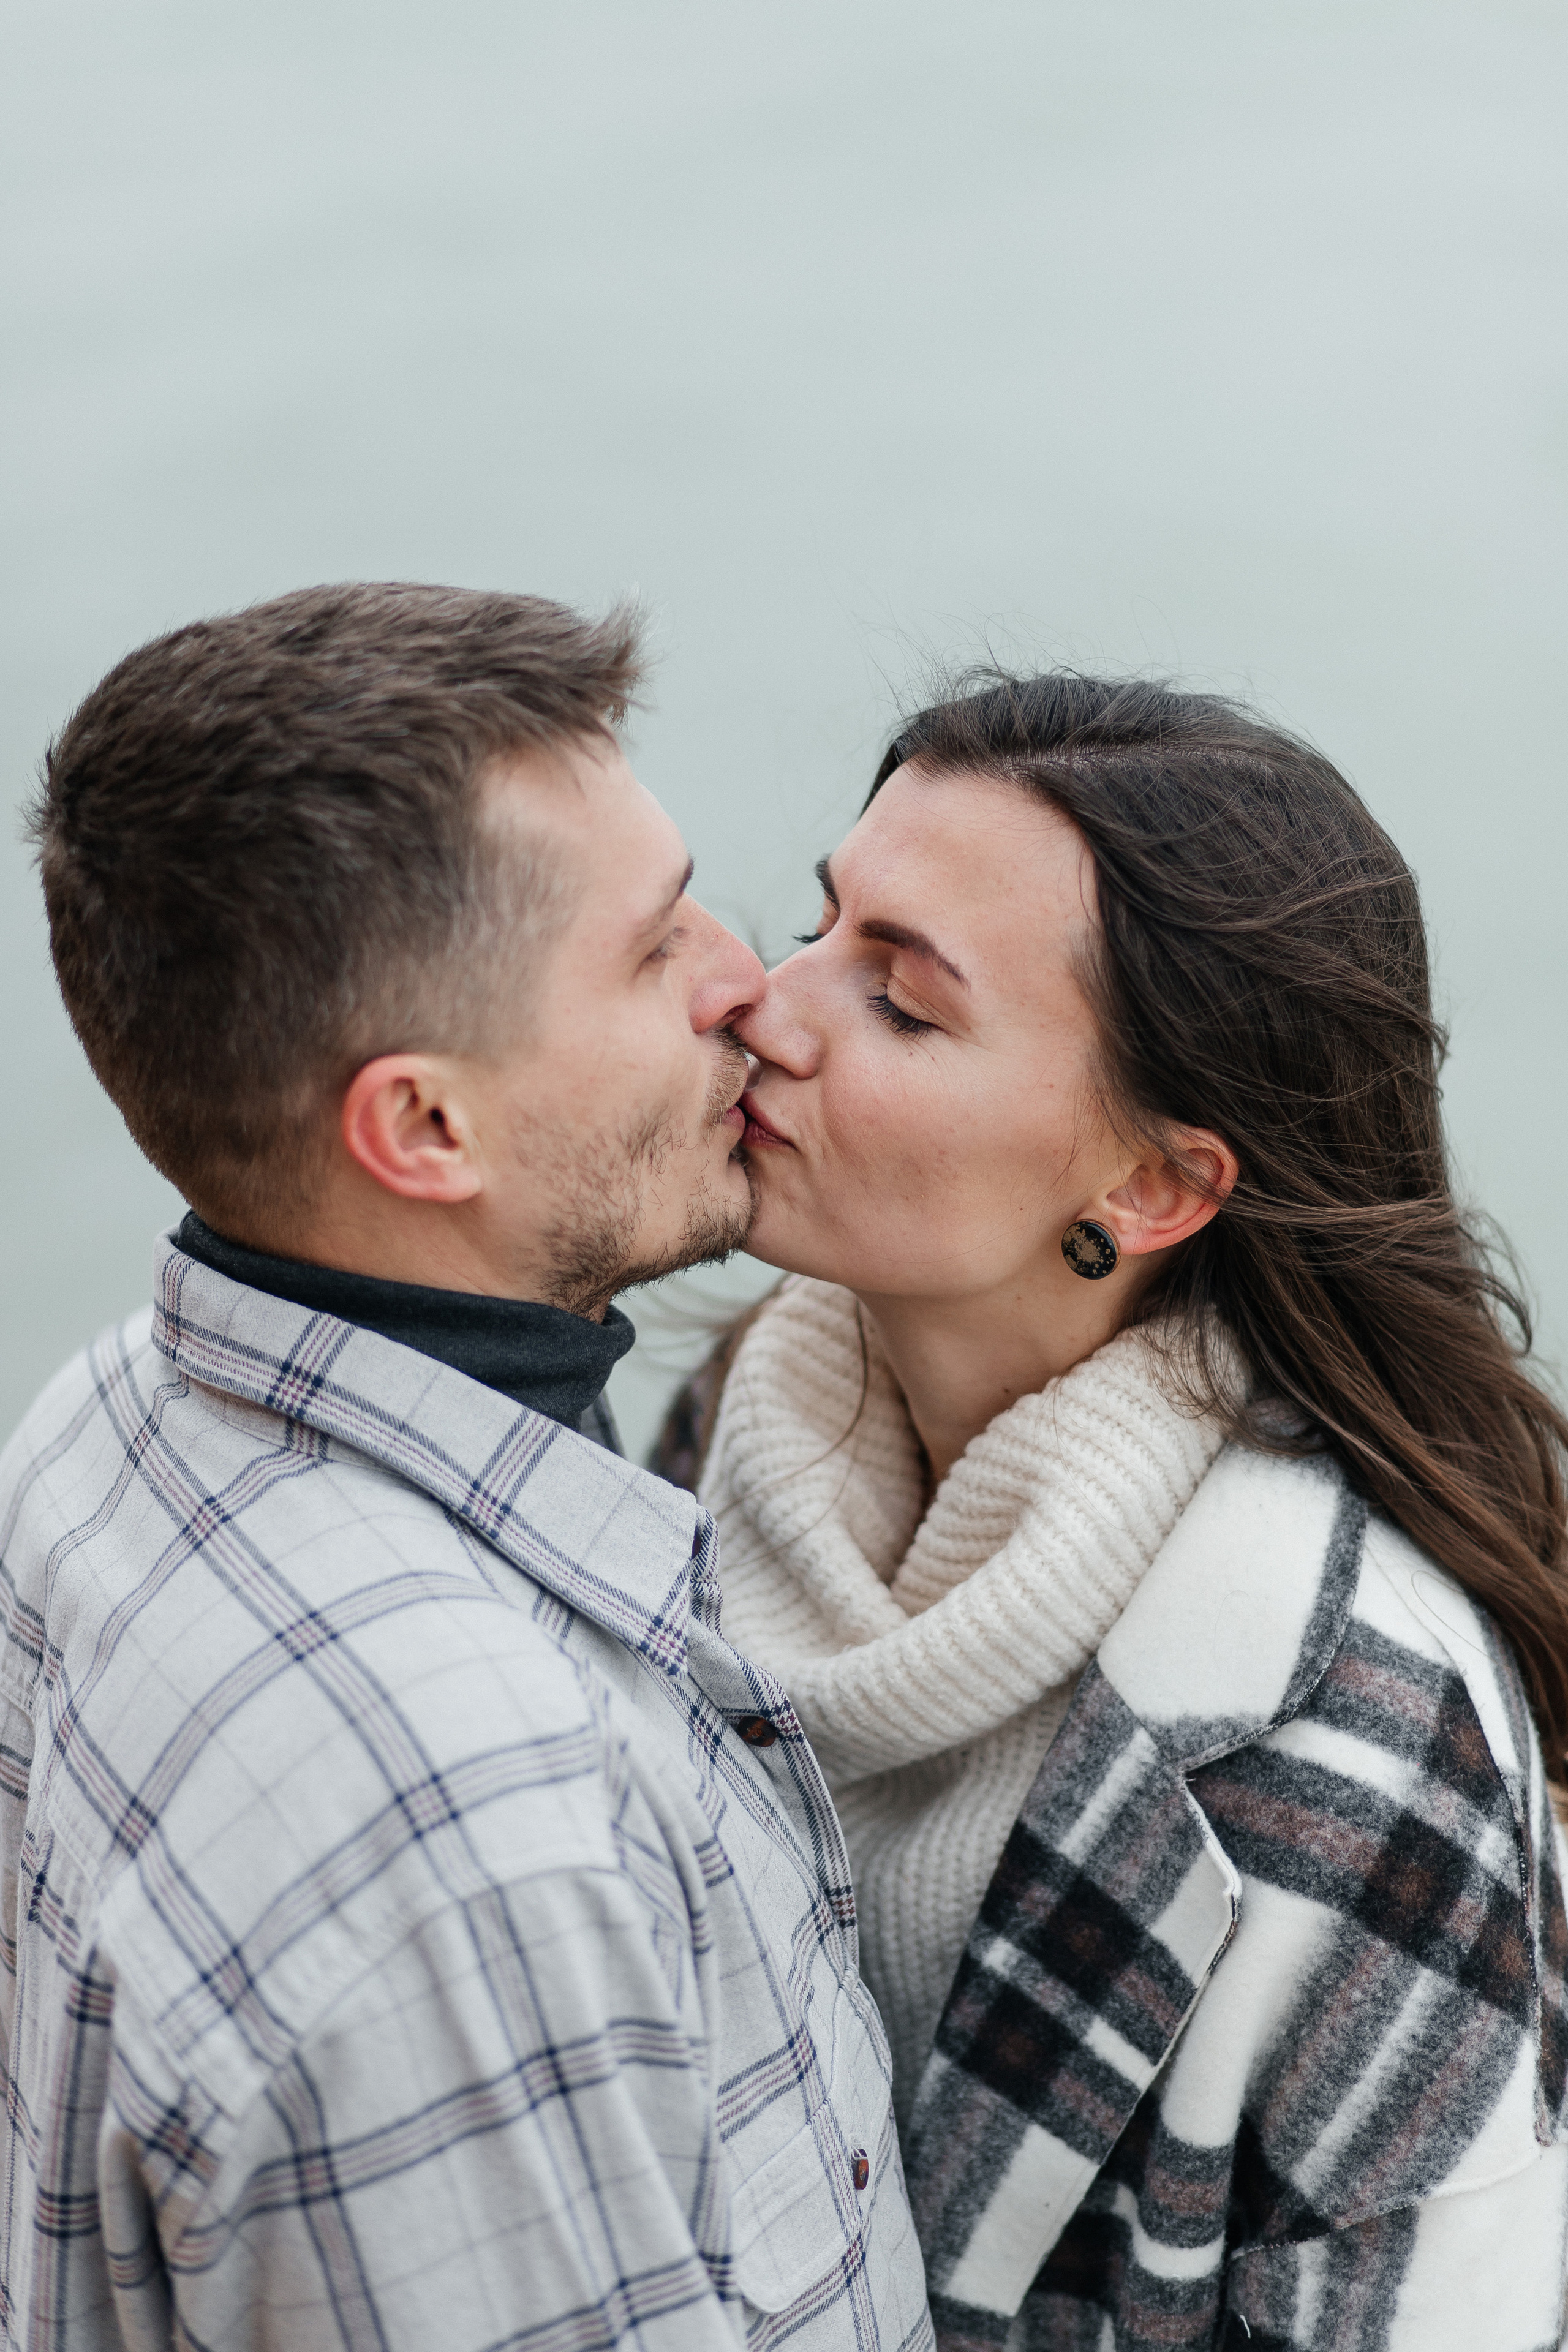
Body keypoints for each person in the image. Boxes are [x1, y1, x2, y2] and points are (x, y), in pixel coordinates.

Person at [0, 584, 932, 2351]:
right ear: (425, 1128)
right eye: (656, 948)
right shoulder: (466, 1815)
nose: (749, 978)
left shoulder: (104, 1428)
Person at [668, 673, 1568, 2350]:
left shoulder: (1358, 1750)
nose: (762, 1008)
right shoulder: (721, 1437)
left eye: (905, 1005)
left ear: (1152, 1186)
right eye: (818, 923)